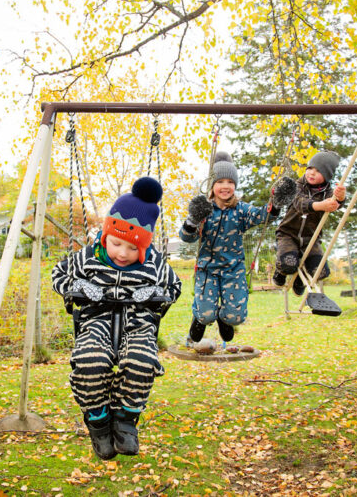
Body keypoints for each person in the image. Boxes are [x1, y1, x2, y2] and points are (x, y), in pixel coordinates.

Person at [52, 176, 181, 460]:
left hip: (137, 324)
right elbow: (58, 275)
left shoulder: (155, 263)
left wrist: (151, 293)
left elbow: (175, 287)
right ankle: (98, 422)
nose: (123, 254)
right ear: (106, 235)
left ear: (144, 247)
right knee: (89, 362)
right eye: (116, 243)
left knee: (143, 362)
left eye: (133, 248)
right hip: (96, 322)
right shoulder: (88, 257)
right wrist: (81, 289)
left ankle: (125, 420)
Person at [179, 151, 280, 345]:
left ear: (235, 185)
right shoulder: (204, 209)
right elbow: (186, 237)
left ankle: (224, 318)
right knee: (205, 313)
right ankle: (201, 318)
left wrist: (275, 204)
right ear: (211, 185)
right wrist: (192, 220)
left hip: (233, 271)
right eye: (220, 182)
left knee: (237, 317)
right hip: (207, 270)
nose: (225, 186)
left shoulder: (241, 210)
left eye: (230, 182)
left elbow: (263, 216)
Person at [272, 150, 346, 295]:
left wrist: (340, 198)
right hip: (288, 234)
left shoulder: (328, 193)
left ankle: (300, 281)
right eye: (310, 168)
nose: (312, 173)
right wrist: (320, 206)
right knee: (288, 263)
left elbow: (336, 203)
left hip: (311, 237)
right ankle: (280, 272)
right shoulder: (296, 185)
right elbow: (300, 204)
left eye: (318, 171)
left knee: (321, 271)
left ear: (327, 176)